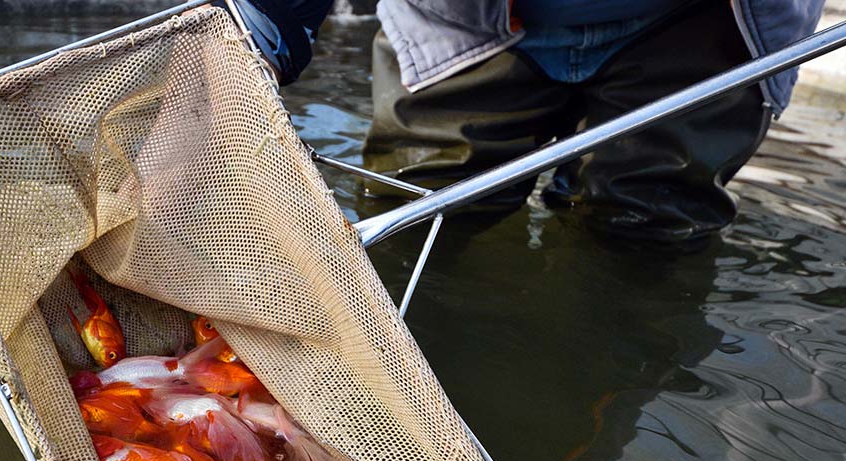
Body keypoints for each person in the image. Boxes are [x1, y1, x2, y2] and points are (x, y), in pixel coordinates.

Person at [232, 0, 827, 249]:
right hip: (464, 22)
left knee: (647, 233)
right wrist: (262, 27)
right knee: (416, 211)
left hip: (706, 24)